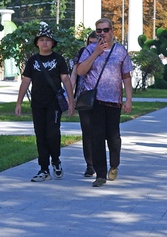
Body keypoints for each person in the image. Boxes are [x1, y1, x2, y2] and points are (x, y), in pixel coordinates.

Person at [77, 18, 133, 187]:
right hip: (95, 101)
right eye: (98, 31)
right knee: (97, 137)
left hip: (113, 101)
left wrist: (128, 99)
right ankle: (100, 174)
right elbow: (80, 71)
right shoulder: (89, 50)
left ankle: (114, 164)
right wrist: (95, 54)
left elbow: (126, 77)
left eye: (105, 30)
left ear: (112, 31)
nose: (102, 34)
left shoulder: (120, 51)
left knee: (113, 137)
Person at [15, 22, 75, 182]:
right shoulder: (32, 61)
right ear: (37, 43)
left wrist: (71, 101)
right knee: (40, 135)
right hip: (37, 103)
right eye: (41, 40)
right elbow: (25, 82)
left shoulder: (59, 59)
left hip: (54, 103)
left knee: (52, 133)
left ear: (52, 42)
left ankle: (55, 160)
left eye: (47, 40)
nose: (45, 42)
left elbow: (66, 80)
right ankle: (43, 169)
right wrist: (19, 102)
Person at [70, 31, 98, 177]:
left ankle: (100, 162)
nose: (91, 46)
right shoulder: (82, 53)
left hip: (101, 97)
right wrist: (70, 94)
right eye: (90, 42)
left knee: (100, 131)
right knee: (87, 131)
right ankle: (90, 164)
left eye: (95, 43)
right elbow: (74, 73)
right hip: (83, 96)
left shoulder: (105, 53)